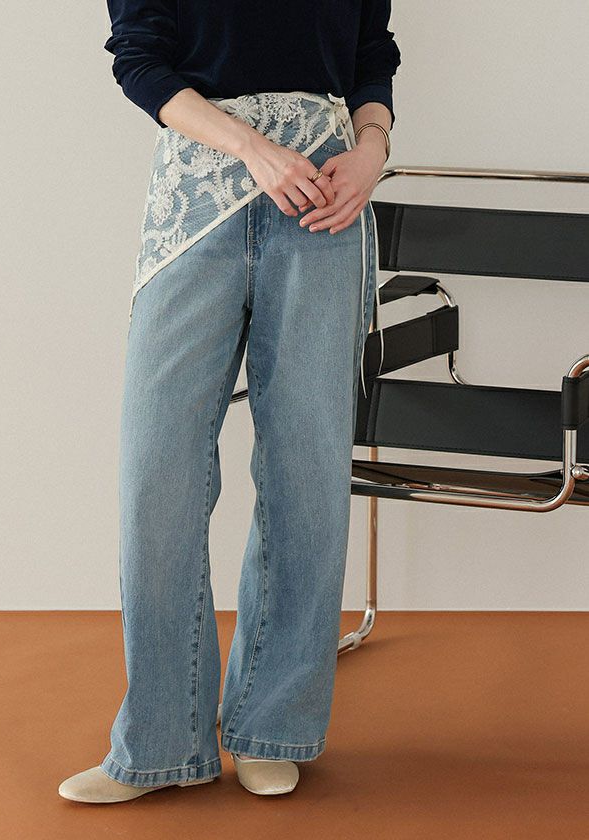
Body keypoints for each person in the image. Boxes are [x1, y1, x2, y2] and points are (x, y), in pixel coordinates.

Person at [59, 0, 401, 803]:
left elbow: (371, 55)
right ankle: (158, 742)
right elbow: (140, 61)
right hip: (199, 198)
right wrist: (252, 148)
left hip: (327, 201)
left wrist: (372, 151)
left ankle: (271, 726)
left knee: (305, 475)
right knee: (158, 473)